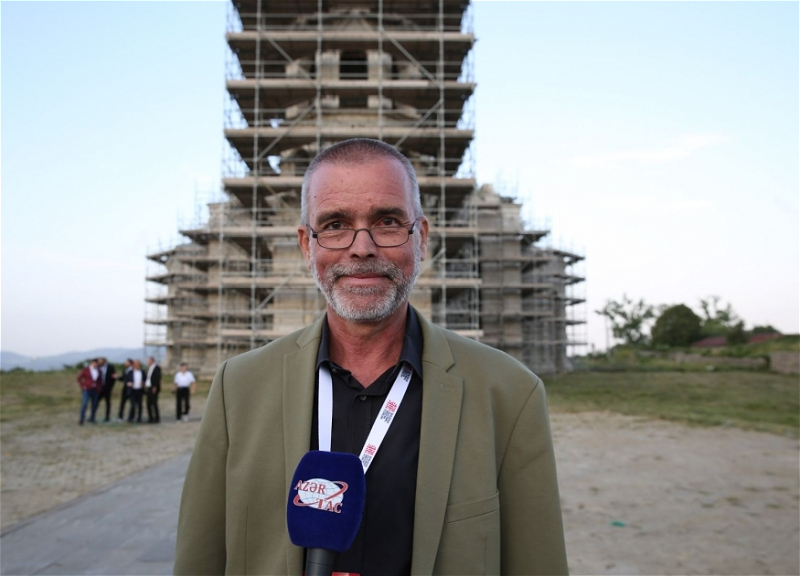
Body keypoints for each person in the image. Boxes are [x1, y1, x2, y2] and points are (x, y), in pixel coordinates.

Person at [174, 139, 567, 575]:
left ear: (421, 238)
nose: (362, 247)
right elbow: (199, 560)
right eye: (336, 224)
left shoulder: (509, 394)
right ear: (306, 244)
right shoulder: (238, 389)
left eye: (388, 222)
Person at [76, 359, 101, 425]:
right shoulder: (86, 370)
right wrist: (83, 385)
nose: (95, 365)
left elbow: (100, 380)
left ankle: (92, 418)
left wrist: (99, 388)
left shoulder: (99, 370)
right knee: (84, 404)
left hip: (95, 390)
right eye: (94, 363)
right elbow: (79, 378)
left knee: (94, 405)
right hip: (87, 389)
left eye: (96, 364)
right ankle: (82, 419)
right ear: (91, 363)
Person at [96, 357, 117, 422]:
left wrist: (110, 387)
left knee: (107, 402)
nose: (99, 363)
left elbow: (114, 377)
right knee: (96, 402)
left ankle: (107, 417)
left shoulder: (110, 367)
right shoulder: (97, 367)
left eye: (100, 361)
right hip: (99, 388)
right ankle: (93, 415)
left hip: (107, 388)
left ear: (104, 361)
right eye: (98, 362)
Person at [127, 359, 145, 423]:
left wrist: (143, 383)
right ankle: (131, 417)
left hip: (139, 390)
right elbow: (126, 380)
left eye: (138, 364)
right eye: (136, 364)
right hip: (132, 390)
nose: (137, 365)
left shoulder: (142, 372)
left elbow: (145, 379)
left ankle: (139, 418)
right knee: (133, 405)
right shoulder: (130, 372)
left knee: (140, 405)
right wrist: (130, 384)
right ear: (134, 365)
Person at [145, 356, 161, 424]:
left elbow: (157, 377)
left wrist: (155, 386)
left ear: (152, 361)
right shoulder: (149, 368)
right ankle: (150, 417)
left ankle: (156, 418)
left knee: (154, 403)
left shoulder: (156, 368)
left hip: (153, 387)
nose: (148, 362)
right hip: (149, 387)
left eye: (149, 361)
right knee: (148, 403)